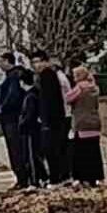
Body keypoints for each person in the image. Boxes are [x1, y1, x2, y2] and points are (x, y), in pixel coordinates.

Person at [31, 50, 67, 185]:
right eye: (33, 63)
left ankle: (56, 178)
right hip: (54, 118)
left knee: (51, 149)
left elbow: (48, 99)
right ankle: (58, 176)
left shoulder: (47, 75)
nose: (36, 65)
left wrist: (44, 118)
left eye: (38, 61)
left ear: (45, 61)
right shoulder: (48, 75)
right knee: (52, 149)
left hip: (51, 119)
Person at [64, 66, 105, 187]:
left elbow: (68, 98)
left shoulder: (80, 88)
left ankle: (83, 178)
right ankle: (96, 177)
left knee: (81, 152)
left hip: (82, 123)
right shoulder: (95, 88)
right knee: (94, 151)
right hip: (95, 122)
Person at [0, 52, 26, 188]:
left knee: (16, 149)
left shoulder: (13, 77)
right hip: (12, 118)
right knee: (16, 149)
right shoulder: (12, 76)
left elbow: (13, 96)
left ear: (7, 61)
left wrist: (2, 108)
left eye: (1, 62)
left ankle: (22, 178)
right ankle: (21, 178)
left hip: (12, 119)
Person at [18, 69, 48, 188]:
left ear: (22, 82)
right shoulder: (36, 93)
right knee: (37, 155)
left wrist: (22, 124)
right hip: (36, 128)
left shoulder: (30, 96)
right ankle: (44, 177)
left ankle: (35, 180)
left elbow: (29, 114)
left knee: (32, 156)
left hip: (31, 130)